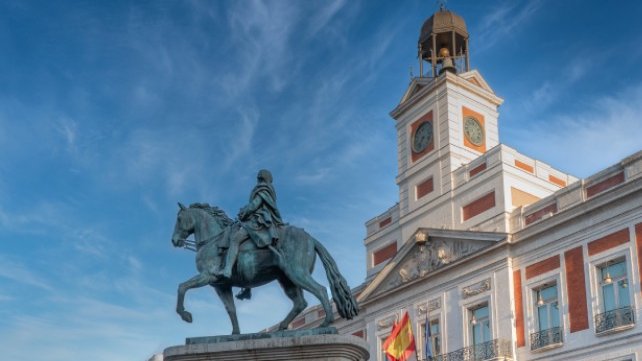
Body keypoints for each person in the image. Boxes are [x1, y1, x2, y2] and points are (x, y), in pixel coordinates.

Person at [216, 169, 284, 279]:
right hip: (260, 218)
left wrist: (244, 212)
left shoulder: (262, 189)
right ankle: (245, 286)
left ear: (261, 178)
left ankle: (227, 269)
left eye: (258, 177)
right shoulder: (269, 189)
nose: (257, 179)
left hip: (257, 220)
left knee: (234, 240)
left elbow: (254, 205)